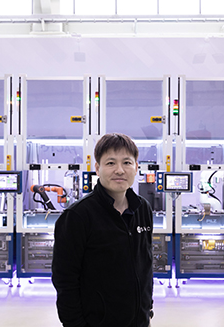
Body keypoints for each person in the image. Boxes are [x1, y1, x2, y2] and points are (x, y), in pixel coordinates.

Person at [52, 133, 154, 327]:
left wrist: (147, 310)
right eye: (110, 163)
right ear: (97, 169)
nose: (120, 170)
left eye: (127, 162)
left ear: (136, 167)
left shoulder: (143, 208)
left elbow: (145, 265)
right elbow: (65, 280)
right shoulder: (78, 216)